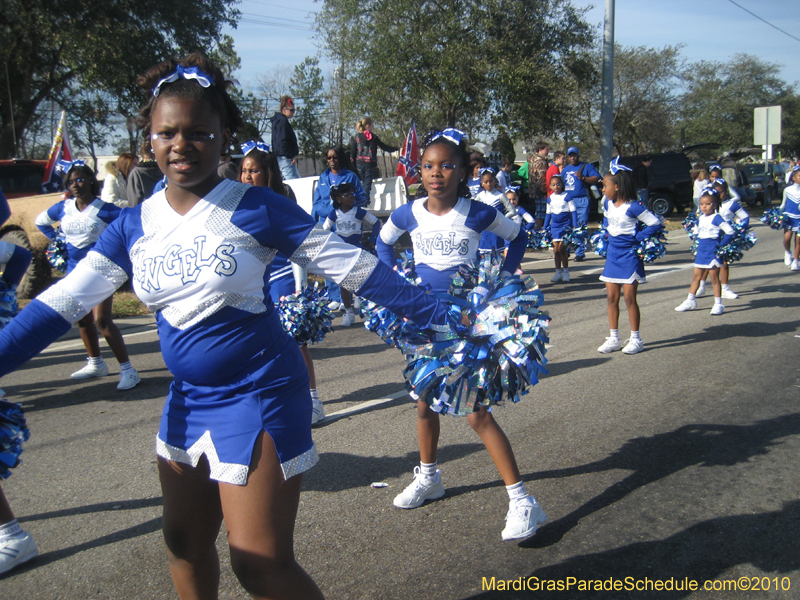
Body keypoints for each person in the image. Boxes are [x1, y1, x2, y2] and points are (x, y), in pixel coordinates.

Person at [0, 54, 452, 600]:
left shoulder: (256, 206)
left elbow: (354, 268)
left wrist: (444, 317)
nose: (180, 144)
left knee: (259, 562)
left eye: (197, 132)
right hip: (188, 399)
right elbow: (60, 304)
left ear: (224, 135)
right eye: (166, 132)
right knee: (184, 544)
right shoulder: (131, 225)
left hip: (260, 393)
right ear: (149, 137)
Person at [376, 128, 546, 542]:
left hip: (464, 323)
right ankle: (430, 477)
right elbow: (382, 245)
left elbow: (518, 236)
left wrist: (500, 278)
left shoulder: (477, 212)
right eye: (429, 166)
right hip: (422, 321)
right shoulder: (408, 213)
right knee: (422, 403)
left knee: (476, 413)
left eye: (446, 166)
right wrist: (399, 281)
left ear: (462, 171)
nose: (437, 174)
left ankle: (523, 500)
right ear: (420, 172)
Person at [239, 144, 325, 425]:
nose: (247, 176)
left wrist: (300, 286)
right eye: (244, 171)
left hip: (281, 277)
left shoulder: (280, 202)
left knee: (294, 341)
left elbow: (300, 246)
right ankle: (270, 398)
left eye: (253, 171)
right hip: (253, 283)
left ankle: (313, 400)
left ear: (267, 173)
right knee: (258, 344)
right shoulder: (236, 205)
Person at [35, 161, 141, 390]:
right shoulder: (63, 208)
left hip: (101, 271)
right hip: (74, 271)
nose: (76, 185)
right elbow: (41, 221)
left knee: (101, 320)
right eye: (71, 181)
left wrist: (122, 251)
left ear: (92, 181)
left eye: (81, 179)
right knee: (82, 319)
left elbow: (132, 224)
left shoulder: (105, 209)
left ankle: (128, 370)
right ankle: (96, 363)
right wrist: (56, 239)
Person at [596, 158, 661, 355]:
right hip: (613, 256)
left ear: (617, 187)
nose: (603, 189)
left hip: (630, 256)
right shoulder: (608, 204)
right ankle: (614, 337)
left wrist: (638, 237)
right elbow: (607, 225)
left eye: (605, 186)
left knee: (630, 299)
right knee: (611, 298)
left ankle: (636, 338)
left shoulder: (634, 207)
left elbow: (655, 223)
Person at [311, 145, 367, 311]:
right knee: (330, 263)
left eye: (335, 157)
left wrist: (346, 204)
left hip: (346, 226)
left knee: (348, 262)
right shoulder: (323, 178)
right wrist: (327, 210)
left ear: (341, 158)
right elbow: (316, 205)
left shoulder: (351, 176)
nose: (332, 161)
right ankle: (334, 296)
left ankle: (350, 297)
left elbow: (362, 198)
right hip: (328, 226)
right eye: (329, 158)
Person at [321, 182, 381, 327]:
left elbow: (376, 223)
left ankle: (366, 311)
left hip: (357, 251)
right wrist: (331, 244)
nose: (351, 197)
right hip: (342, 252)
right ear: (338, 199)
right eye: (346, 194)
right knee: (343, 283)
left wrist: (372, 240)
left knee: (361, 280)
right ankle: (349, 313)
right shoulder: (334, 214)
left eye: (352, 193)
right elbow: (324, 230)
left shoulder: (358, 211)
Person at [675, 188, 734, 315]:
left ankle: (718, 304)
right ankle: (690, 300)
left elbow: (730, 231)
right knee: (696, 277)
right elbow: (696, 232)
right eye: (702, 204)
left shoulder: (717, 217)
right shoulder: (700, 218)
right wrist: (697, 240)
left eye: (707, 204)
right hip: (701, 252)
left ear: (714, 204)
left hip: (713, 252)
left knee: (714, 278)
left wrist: (721, 245)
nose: (704, 207)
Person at [695, 178, 748, 299]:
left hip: (725, 237)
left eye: (721, 192)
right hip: (709, 237)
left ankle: (725, 288)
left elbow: (745, 217)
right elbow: (699, 219)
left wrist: (740, 228)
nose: (719, 195)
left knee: (723, 264)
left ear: (726, 192)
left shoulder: (732, 204)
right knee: (706, 264)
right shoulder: (708, 203)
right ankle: (701, 287)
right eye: (716, 192)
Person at [561, 146, 601, 261]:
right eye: (570, 156)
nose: (573, 158)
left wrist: (583, 178)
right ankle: (566, 250)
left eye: (574, 155)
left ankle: (579, 252)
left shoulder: (586, 166)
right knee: (567, 226)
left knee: (580, 226)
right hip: (568, 200)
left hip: (581, 200)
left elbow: (596, 178)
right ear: (568, 157)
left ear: (578, 156)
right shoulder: (565, 170)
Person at [351, 117, 399, 203]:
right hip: (369, 163)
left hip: (359, 163)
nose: (373, 127)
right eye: (372, 125)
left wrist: (353, 162)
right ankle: (364, 201)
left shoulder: (357, 137)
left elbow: (353, 151)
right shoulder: (373, 137)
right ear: (368, 126)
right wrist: (395, 149)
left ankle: (363, 200)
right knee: (367, 183)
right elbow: (384, 147)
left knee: (364, 182)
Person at [474, 168, 518, 253]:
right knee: (484, 254)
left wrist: (502, 219)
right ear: (481, 183)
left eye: (491, 181)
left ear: (495, 181)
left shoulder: (500, 195)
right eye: (486, 182)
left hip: (497, 230)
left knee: (497, 254)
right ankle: (486, 267)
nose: (489, 184)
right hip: (484, 230)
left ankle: (499, 267)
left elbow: (513, 211)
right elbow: (475, 211)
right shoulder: (480, 196)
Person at [544, 174, 577, 283]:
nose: (556, 186)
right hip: (554, 226)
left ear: (562, 185)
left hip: (565, 225)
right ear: (550, 186)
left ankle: (566, 271)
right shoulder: (549, 199)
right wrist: (544, 227)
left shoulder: (567, 196)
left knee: (562, 248)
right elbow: (548, 214)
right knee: (556, 250)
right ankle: (558, 272)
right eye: (553, 184)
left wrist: (575, 224)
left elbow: (573, 211)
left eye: (558, 184)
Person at [270, 95, 301, 180]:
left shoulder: (278, 121)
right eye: (291, 110)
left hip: (281, 158)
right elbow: (282, 141)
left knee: (285, 184)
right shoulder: (282, 122)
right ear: (284, 110)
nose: (293, 112)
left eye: (294, 110)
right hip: (285, 159)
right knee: (294, 184)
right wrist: (290, 156)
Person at [126, 141, 164, 207]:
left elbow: (134, 202)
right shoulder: (165, 170)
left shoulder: (136, 173)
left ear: (141, 153)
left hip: (144, 213)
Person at [780, 167, 800, 270]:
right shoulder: (787, 190)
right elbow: (783, 204)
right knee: (787, 238)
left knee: (798, 239)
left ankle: (796, 261)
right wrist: (777, 214)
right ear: (793, 177)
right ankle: (788, 252)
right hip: (789, 218)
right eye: (799, 176)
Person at [528, 141, 550, 228]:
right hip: (540, 192)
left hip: (533, 191)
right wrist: (545, 192)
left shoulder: (532, 159)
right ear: (540, 150)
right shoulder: (541, 161)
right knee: (540, 214)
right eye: (546, 149)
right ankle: (539, 231)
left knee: (538, 212)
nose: (548, 151)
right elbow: (541, 178)